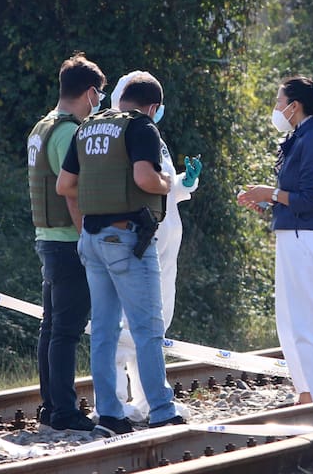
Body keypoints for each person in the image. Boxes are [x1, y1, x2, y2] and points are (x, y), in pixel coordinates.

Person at [56, 71, 184, 437]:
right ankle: (161, 410)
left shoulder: (87, 127)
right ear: (153, 107)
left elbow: (65, 185)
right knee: (147, 329)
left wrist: (85, 231)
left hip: (92, 240)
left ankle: (109, 414)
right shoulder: (141, 128)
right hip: (128, 240)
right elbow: (145, 179)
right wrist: (168, 183)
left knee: (104, 332)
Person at [237, 76, 313, 404]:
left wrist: (271, 193)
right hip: (293, 236)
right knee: (290, 319)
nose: (277, 108)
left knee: (310, 321)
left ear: (295, 106)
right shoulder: (301, 138)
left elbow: (310, 200)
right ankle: (305, 390)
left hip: (305, 238)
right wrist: (267, 202)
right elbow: (293, 197)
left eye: (280, 102)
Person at [109, 71, 202, 422]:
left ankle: (147, 400)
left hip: (162, 243)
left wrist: (183, 182)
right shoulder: (123, 132)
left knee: (154, 326)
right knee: (124, 328)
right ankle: (116, 402)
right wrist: (169, 184)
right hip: (137, 242)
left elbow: (160, 187)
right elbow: (142, 184)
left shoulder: (151, 134)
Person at [26, 52, 106, 432]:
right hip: (68, 241)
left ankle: (50, 404)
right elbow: (71, 192)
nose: (100, 103)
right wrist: (88, 238)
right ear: (90, 92)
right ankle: (63, 411)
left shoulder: (41, 127)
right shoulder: (70, 132)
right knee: (66, 331)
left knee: (51, 327)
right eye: (100, 95)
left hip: (47, 237)